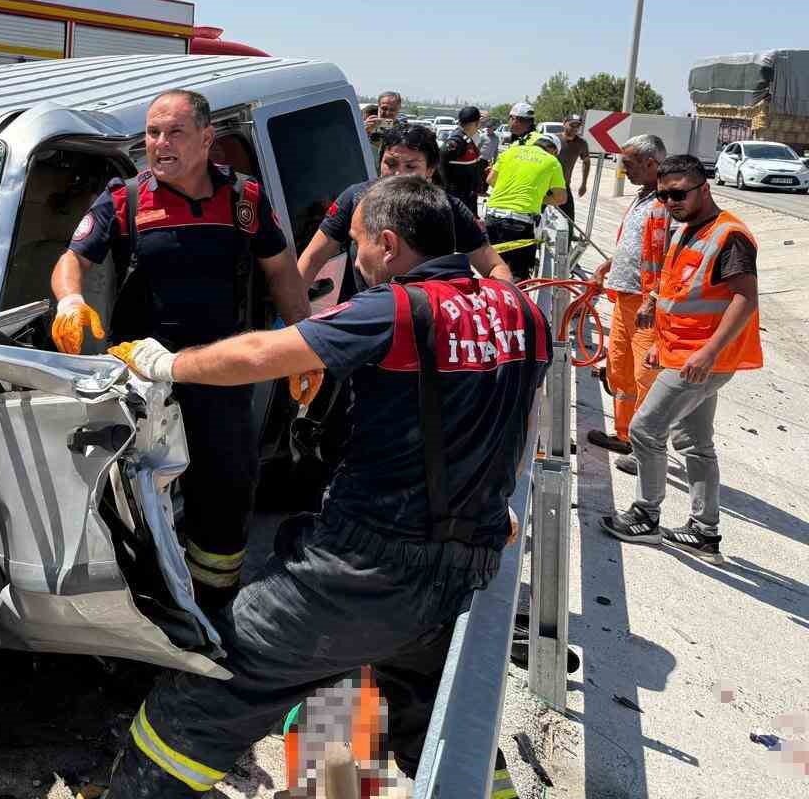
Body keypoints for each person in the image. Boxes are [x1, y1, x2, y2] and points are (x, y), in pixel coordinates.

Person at [104, 176, 548, 797]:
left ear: (389, 244)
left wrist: (163, 363)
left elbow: (261, 354)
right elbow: (520, 419)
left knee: (203, 694)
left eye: (359, 246)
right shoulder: (523, 311)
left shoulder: (394, 308)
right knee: (438, 721)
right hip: (462, 565)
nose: (356, 261)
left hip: (362, 569)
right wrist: (492, 501)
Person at [50, 89, 310, 606]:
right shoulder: (125, 198)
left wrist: (304, 342)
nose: (159, 144)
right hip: (142, 377)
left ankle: (215, 606)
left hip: (221, 372)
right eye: (152, 133)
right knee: (139, 489)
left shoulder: (243, 199)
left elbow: (281, 269)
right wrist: (69, 301)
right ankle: (148, 603)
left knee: (227, 484)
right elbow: (71, 259)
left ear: (207, 138)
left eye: (174, 133)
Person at [601, 155, 761, 562]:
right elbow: (679, 295)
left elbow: (745, 298)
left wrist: (709, 352)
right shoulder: (686, 230)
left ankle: (645, 516)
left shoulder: (729, 236)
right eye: (663, 194)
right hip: (680, 352)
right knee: (694, 442)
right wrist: (659, 341)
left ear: (704, 189)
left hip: (701, 359)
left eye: (679, 193)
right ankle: (705, 531)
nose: (670, 200)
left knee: (645, 429)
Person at [298, 126, 513, 297]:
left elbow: (494, 267)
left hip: (427, 329)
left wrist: (500, 309)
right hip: (361, 324)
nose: (398, 174)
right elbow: (311, 259)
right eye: (390, 164)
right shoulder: (355, 198)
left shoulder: (448, 208)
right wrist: (295, 318)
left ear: (430, 170)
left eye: (411, 167)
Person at [584, 135, 667, 464]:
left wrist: (655, 298)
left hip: (649, 304)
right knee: (621, 369)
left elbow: (669, 256)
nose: (622, 170)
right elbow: (636, 245)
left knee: (647, 377)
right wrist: (611, 264)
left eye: (629, 164)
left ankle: (646, 451)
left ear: (650, 164)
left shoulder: (666, 203)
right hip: (625, 297)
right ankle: (625, 435)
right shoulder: (643, 197)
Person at [484, 130, 567, 280]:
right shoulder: (552, 161)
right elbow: (560, 198)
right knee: (517, 276)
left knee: (493, 270)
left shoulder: (510, 152)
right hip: (520, 223)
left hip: (492, 217)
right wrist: (538, 198)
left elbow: (490, 179)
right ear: (554, 150)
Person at [441, 105, 487, 211]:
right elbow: (440, 164)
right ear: (475, 123)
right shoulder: (457, 142)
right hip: (456, 201)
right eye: (479, 122)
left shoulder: (466, 140)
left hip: (466, 200)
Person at [556, 115, 592, 224]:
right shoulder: (554, 139)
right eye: (572, 125)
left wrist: (584, 184)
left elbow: (586, 161)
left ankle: (568, 238)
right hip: (546, 185)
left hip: (564, 185)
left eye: (577, 126)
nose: (574, 128)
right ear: (564, 123)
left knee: (569, 219)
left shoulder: (581, 143)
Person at [363, 91, 403, 158]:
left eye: (392, 109)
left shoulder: (404, 132)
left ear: (398, 109)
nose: (387, 113)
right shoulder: (365, 127)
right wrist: (363, 132)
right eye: (384, 108)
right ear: (378, 107)